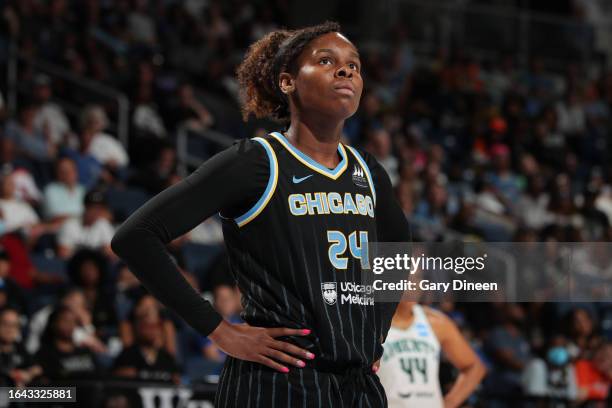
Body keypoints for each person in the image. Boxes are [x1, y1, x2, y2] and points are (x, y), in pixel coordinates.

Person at [112, 21, 411, 406]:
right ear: (287, 82)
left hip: (357, 387)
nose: (346, 71)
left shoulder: (367, 171)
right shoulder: (257, 161)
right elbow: (135, 236)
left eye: (354, 65)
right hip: (278, 383)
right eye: (326, 61)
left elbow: (399, 250)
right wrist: (220, 331)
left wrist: (376, 332)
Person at [377, 301, 486, 408]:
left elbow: (474, 367)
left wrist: (449, 403)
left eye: (416, 282)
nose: (411, 286)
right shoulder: (371, 322)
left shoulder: (435, 321)